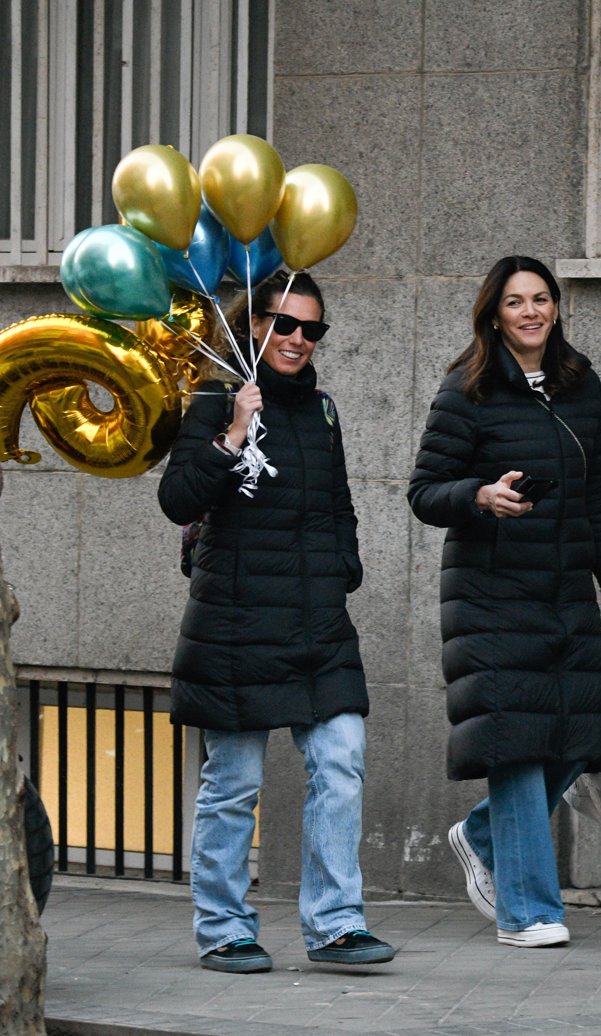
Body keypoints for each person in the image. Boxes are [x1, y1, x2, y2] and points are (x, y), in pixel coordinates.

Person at [158, 270, 395, 973]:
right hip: (235, 622)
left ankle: (335, 924)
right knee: (233, 783)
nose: (298, 339)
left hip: (317, 621)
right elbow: (177, 499)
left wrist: (342, 566)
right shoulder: (211, 397)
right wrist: (233, 432)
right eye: (284, 324)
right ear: (253, 324)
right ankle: (224, 927)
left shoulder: (321, 410)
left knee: (342, 760)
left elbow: (341, 502)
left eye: (311, 329)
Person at [407, 256, 601, 949]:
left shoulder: (580, 386)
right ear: (494, 314)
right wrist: (480, 495)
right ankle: (529, 911)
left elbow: (599, 495)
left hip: (564, 589)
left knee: (574, 741)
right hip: (490, 593)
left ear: (557, 308)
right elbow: (423, 491)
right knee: (517, 746)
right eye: (516, 302)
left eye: (542, 299)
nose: (532, 312)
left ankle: (481, 834)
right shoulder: (467, 390)